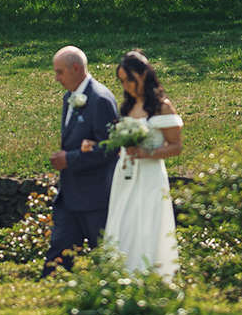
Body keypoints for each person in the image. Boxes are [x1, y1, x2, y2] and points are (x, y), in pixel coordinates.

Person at [81, 49, 183, 278]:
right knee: (123, 220)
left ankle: (149, 275)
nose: (126, 85)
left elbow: (176, 146)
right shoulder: (127, 108)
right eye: (122, 81)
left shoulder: (162, 107)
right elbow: (118, 144)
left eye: (129, 79)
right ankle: (120, 274)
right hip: (125, 173)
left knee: (147, 223)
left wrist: (148, 153)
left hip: (149, 174)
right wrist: (97, 144)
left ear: (143, 75)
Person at [46, 45, 118, 273]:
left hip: (95, 197)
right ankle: (46, 292)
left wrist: (71, 159)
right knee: (57, 258)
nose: (57, 78)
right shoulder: (69, 97)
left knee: (106, 258)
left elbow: (111, 148)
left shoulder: (100, 99)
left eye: (60, 72)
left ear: (76, 68)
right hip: (70, 196)